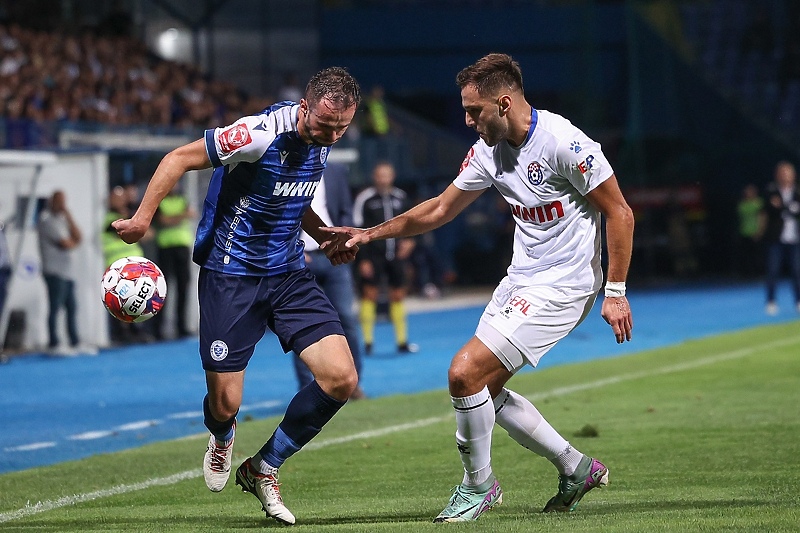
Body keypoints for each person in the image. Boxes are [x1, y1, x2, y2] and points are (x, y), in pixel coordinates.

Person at [326, 53, 634, 521]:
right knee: (482, 391)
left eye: (474, 111)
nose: (468, 121)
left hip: (565, 286)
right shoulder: (488, 151)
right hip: (520, 280)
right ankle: (576, 467)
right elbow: (437, 210)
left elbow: (620, 212)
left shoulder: (565, 144)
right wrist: (370, 234)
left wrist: (615, 291)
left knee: (464, 373)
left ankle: (479, 486)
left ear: (505, 102)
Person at [112, 66, 362, 526]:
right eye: (324, 125)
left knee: (341, 378)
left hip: (288, 272)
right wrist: (142, 220)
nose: (330, 135)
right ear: (304, 106)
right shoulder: (256, 134)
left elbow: (291, 194)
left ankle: (264, 467)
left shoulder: (320, 140)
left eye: (340, 129)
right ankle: (222, 435)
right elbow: (177, 159)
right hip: (232, 274)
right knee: (225, 404)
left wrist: (322, 235)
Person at [293, 164, 365, 399]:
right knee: (301, 324)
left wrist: (343, 243)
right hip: (300, 257)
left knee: (346, 317)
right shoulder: (287, 170)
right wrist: (290, 248)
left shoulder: (335, 172)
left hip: (333, 256)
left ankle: (352, 384)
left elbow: (344, 210)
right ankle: (308, 389)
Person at [352, 161, 418, 355]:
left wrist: (411, 241)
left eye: (386, 175)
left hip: (396, 255)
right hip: (373, 256)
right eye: (380, 175)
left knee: (397, 295)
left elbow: (411, 223)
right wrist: (362, 258)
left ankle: (402, 341)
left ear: (392, 176)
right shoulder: (365, 199)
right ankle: (368, 342)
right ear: (375, 177)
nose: (383, 179)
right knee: (369, 295)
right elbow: (356, 227)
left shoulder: (401, 197)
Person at [37, 190, 86, 356]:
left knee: (72, 307)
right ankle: (54, 343)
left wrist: (69, 216)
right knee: (55, 307)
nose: (62, 205)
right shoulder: (46, 220)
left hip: (67, 272)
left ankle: (75, 342)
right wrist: (74, 242)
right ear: (52, 202)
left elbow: (79, 236)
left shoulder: (63, 219)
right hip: (54, 271)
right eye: (59, 202)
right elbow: (66, 243)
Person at [102, 186, 151, 345]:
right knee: (121, 300)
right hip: (118, 267)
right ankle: (121, 333)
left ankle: (137, 330)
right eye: (117, 197)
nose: (120, 200)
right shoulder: (110, 219)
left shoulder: (129, 217)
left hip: (135, 266)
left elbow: (149, 235)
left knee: (137, 298)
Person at [153, 185, 195, 339]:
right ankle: (158, 329)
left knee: (183, 287)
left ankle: (181, 326)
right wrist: (182, 216)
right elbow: (163, 221)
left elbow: (191, 213)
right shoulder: (160, 202)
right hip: (165, 248)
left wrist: (175, 217)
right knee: (162, 289)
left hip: (182, 247)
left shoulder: (182, 200)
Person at [763, 161, 800, 315]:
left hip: (794, 238)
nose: (785, 176)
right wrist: (787, 208)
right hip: (776, 239)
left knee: (797, 271)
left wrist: (784, 208)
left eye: (788, 172)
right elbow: (769, 209)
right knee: (772, 271)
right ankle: (771, 301)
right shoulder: (771, 190)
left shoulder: (797, 191)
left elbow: (793, 211)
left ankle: (798, 301)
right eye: (782, 173)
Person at [736, 183, 765, 278]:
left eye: (750, 192)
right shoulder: (742, 204)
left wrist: (760, 231)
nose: (748, 193)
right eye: (747, 192)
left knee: (757, 255)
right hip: (744, 233)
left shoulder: (760, 203)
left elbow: (762, 217)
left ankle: (758, 273)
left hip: (756, 233)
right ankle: (747, 274)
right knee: (745, 255)